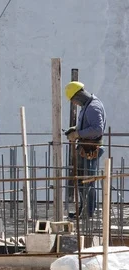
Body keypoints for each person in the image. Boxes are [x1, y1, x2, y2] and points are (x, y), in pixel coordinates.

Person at [64, 81, 106, 218]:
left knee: (88, 181)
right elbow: (87, 124)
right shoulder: (87, 106)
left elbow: (97, 129)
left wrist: (78, 134)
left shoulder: (93, 107)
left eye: (74, 100)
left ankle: (88, 213)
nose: (75, 103)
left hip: (90, 150)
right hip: (85, 148)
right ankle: (84, 210)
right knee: (82, 181)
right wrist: (75, 129)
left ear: (79, 95)